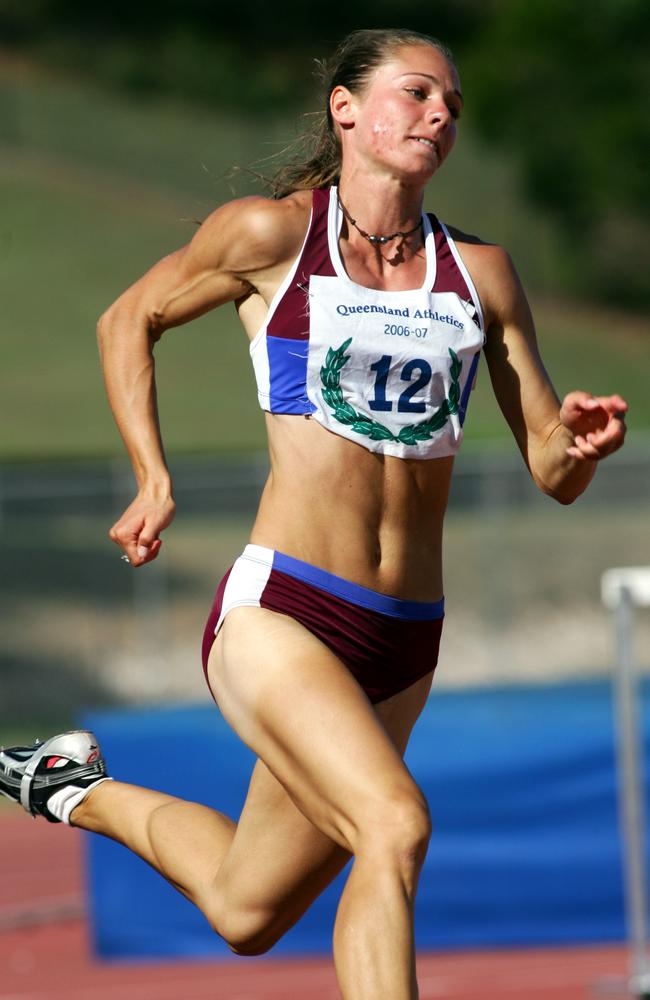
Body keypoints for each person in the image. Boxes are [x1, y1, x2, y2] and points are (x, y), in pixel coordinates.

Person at [0, 28, 627, 1000]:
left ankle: (62, 785)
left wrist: (576, 442)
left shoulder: (481, 273)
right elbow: (127, 318)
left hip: (403, 638)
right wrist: (151, 476)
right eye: (417, 93)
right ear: (345, 109)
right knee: (393, 825)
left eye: (452, 107)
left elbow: (550, 470)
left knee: (246, 909)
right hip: (283, 611)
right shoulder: (272, 236)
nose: (438, 115)